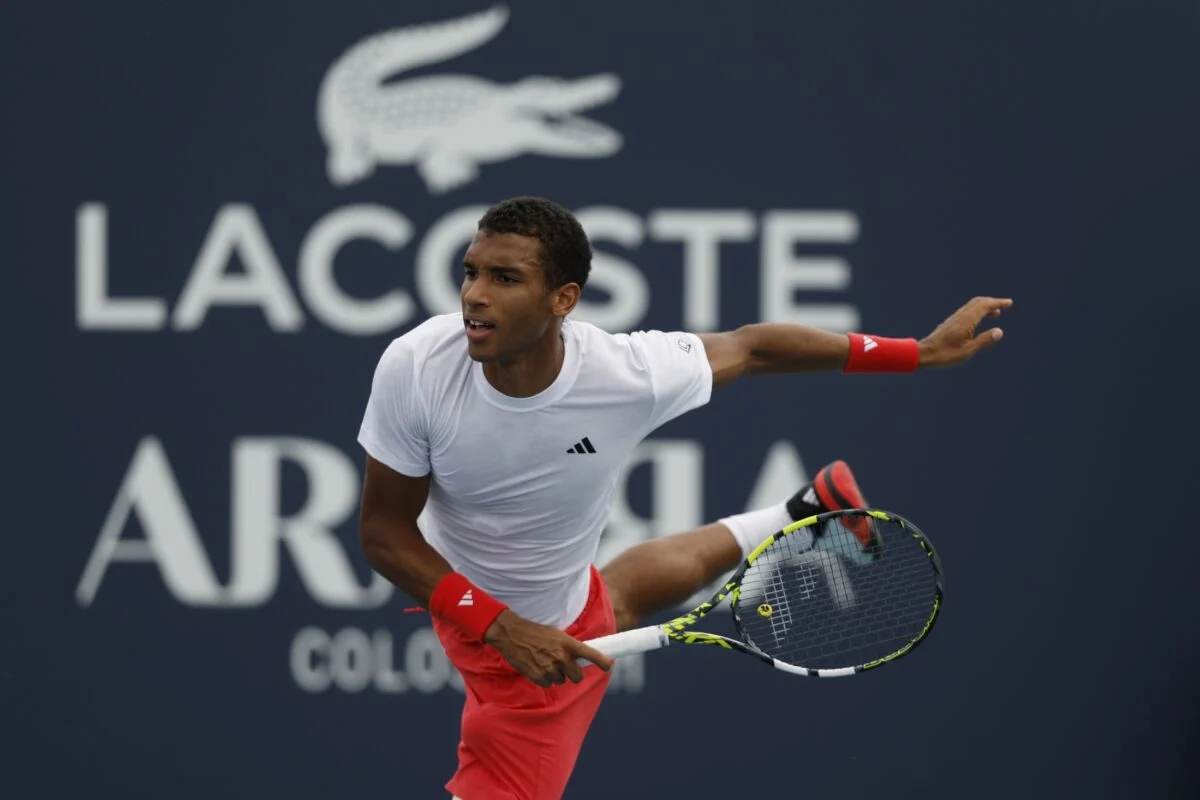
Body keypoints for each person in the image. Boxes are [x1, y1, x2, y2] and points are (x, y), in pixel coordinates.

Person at [356, 196, 1012, 800]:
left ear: (563, 299)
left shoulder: (626, 376)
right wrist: (502, 624)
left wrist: (917, 354)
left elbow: (755, 349)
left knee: (604, 605)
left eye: (504, 279)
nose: (474, 295)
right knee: (613, 600)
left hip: (531, 669)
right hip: (504, 615)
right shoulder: (418, 368)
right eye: (470, 272)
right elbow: (385, 530)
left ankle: (800, 515)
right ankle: (800, 515)